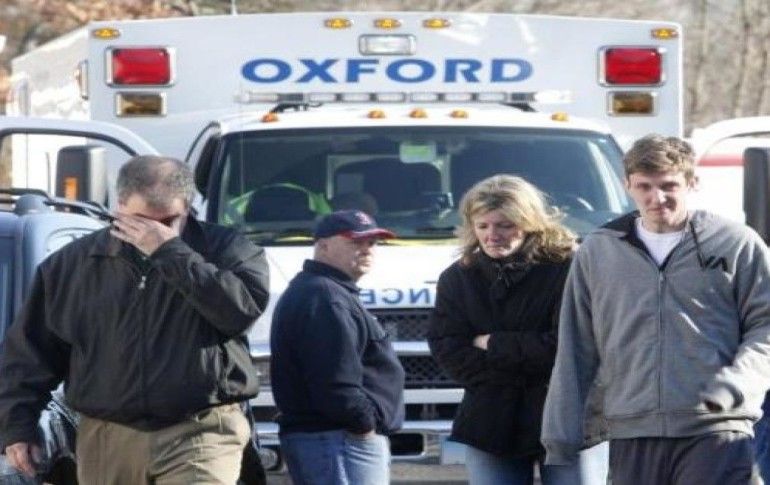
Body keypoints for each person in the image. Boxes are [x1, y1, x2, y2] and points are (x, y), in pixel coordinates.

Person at [0, 155, 270, 484]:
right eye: (139, 220)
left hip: (201, 428)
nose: (152, 232)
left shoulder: (228, 250)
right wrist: (18, 426)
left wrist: (172, 253)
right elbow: (30, 353)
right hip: (106, 436)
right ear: (119, 206)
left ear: (187, 207)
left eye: (168, 221)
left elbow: (239, 312)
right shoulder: (71, 265)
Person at [542, 134, 770, 484]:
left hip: (715, 427)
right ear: (627, 186)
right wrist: (560, 435)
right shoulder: (599, 251)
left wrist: (737, 385)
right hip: (631, 427)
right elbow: (576, 344)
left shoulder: (735, 243)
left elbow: (765, 325)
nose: (657, 198)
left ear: (692, 183)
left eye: (669, 186)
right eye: (644, 186)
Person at [427, 174, 593, 484]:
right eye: (483, 226)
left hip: (566, 417)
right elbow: (448, 349)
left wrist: (492, 343)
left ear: (529, 222)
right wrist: (519, 364)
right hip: (490, 421)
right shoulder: (457, 278)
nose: (492, 236)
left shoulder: (569, 268)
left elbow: (569, 347)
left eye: (504, 225)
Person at [270, 210, 405, 485]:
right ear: (323, 246)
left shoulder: (326, 291)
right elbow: (334, 382)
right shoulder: (325, 297)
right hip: (337, 441)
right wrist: (364, 425)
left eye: (372, 242)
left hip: (336, 439)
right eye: (355, 241)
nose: (366, 249)